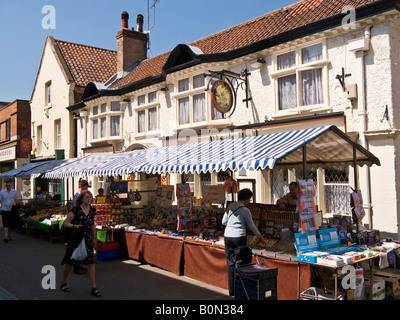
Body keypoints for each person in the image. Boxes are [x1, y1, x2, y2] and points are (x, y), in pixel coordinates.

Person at [222, 188, 266, 296]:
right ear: (246, 199)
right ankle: (240, 289)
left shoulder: (231, 206)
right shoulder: (245, 210)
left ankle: (231, 290)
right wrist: (260, 236)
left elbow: (224, 222)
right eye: (250, 199)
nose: (250, 201)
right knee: (241, 264)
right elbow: (251, 226)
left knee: (230, 264)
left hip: (228, 236)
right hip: (239, 237)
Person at [60, 190, 101, 297]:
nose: (89, 199)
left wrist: (94, 238)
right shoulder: (75, 210)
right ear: (82, 199)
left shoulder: (92, 210)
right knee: (71, 261)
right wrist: (75, 226)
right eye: (87, 197)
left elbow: (92, 225)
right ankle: (63, 282)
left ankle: (94, 287)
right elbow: (65, 223)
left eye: (90, 197)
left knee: (91, 261)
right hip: (76, 239)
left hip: (87, 239)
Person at [70, 178, 90, 274]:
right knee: (78, 245)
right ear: (81, 187)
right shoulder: (78, 198)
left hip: (77, 223)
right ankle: (76, 267)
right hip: (77, 224)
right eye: (85, 188)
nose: (86, 191)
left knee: (79, 245)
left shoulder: (77, 196)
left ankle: (79, 264)